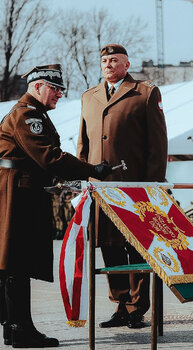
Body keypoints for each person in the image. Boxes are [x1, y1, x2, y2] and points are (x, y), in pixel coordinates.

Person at [0, 64, 111, 348]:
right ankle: (20, 329)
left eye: (61, 90)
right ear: (36, 86)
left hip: (21, 191)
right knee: (16, 263)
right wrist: (91, 170)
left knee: (16, 263)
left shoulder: (33, 114)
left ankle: (15, 327)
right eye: (55, 88)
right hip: (17, 195)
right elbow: (49, 157)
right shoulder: (27, 115)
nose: (60, 95)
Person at [77, 44, 168, 328]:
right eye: (104, 60)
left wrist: (151, 185)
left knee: (137, 247)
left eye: (114, 60)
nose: (107, 64)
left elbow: (158, 144)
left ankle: (137, 307)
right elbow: (84, 143)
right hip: (100, 190)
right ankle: (120, 303)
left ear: (126, 65)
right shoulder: (88, 97)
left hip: (133, 188)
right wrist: (82, 176)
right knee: (109, 246)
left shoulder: (145, 93)